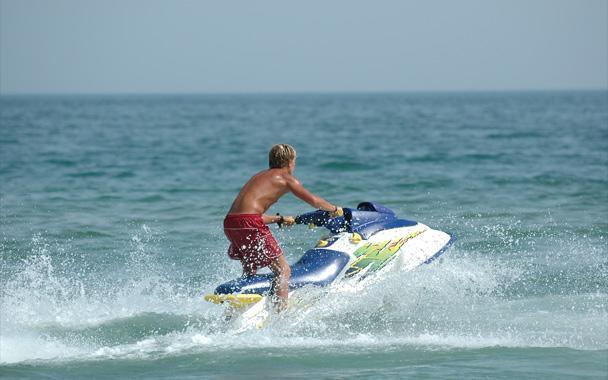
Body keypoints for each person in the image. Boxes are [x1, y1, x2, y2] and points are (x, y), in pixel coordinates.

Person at [224, 144, 342, 311]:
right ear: (289, 162)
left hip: (230, 223)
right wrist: (335, 209)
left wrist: (278, 219)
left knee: (250, 267)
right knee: (283, 270)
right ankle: (281, 315)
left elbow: (246, 216)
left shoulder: (258, 176)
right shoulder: (287, 179)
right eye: (294, 161)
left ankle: (241, 306)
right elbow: (315, 201)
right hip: (248, 223)